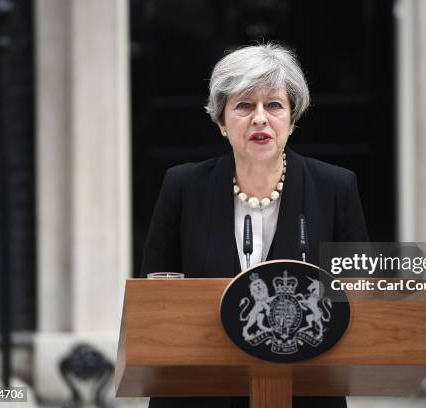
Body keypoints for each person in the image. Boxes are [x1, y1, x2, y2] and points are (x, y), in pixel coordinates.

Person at [142, 43, 368, 408]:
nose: (260, 118)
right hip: (200, 394)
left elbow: (361, 298)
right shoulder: (183, 187)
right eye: (244, 106)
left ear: (292, 120)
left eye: (274, 105)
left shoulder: (335, 188)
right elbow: (157, 300)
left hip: (305, 391)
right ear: (221, 121)